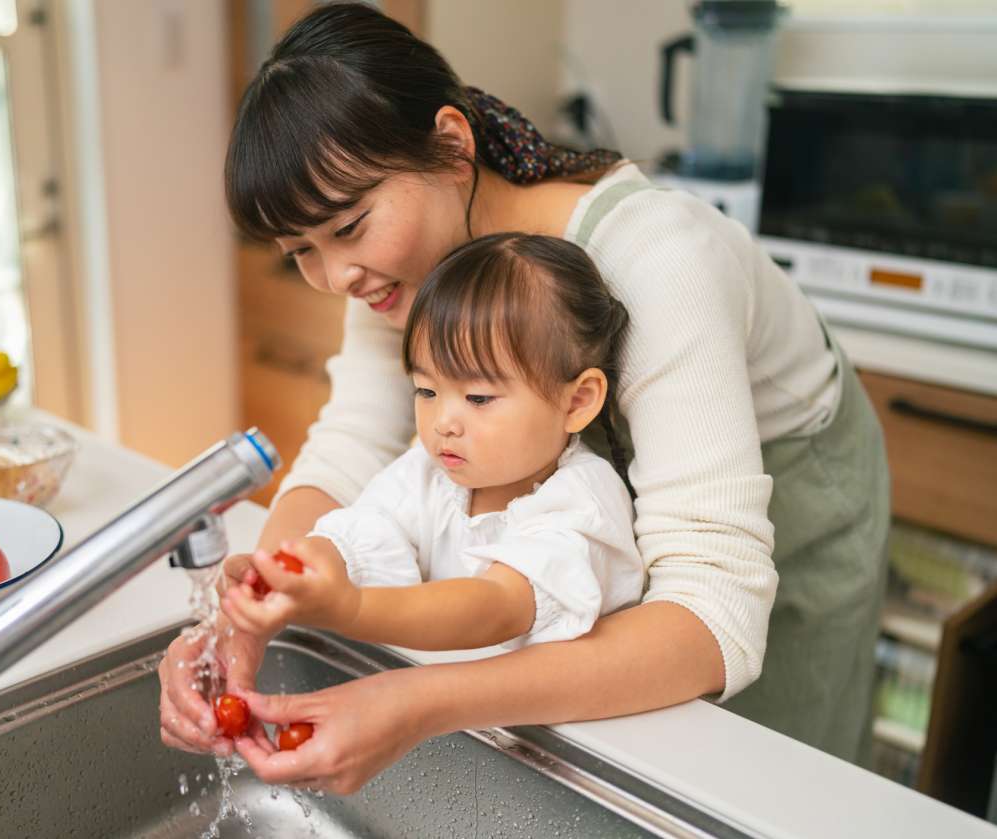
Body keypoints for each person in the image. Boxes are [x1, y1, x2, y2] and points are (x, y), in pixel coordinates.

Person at [158, 2, 889, 793]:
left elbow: (714, 615)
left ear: (451, 144)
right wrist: (242, 619)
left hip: (789, 498)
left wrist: (417, 702)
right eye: (301, 250)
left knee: (758, 783)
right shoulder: (406, 268)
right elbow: (349, 446)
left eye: (351, 226)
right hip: (615, 504)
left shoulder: (657, 263)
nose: (336, 276)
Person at [220, 233, 644, 655]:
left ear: (578, 401)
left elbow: (495, 607)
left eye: (478, 398)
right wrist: (296, 571)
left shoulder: (583, 503)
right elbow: (362, 533)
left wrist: (352, 608)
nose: (443, 423)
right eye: (426, 391)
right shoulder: (429, 473)